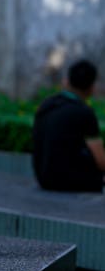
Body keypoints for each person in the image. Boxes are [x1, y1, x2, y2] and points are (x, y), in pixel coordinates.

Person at [32, 59, 105, 192]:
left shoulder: (46, 105)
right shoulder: (84, 112)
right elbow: (101, 161)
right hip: (70, 183)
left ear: (66, 81)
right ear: (92, 88)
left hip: (43, 179)